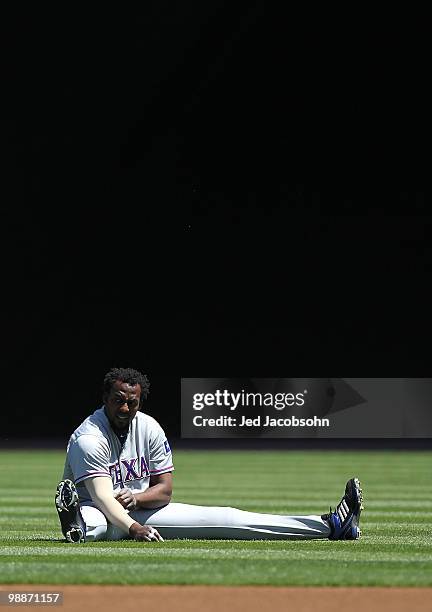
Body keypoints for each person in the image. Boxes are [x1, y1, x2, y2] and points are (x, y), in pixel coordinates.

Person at [55, 367, 364, 543]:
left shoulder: (148, 427)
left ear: (140, 401)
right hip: (97, 507)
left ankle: (333, 525)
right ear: (105, 399)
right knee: (96, 522)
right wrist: (135, 529)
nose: (125, 408)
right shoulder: (90, 438)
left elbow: (165, 490)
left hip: (142, 508)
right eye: (118, 400)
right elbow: (103, 497)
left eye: (132, 402)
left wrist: (137, 502)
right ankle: (76, 523)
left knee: (227, 518)